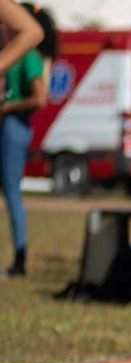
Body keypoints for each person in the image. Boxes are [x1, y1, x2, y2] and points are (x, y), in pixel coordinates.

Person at [0, 1, 45, 279]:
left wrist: (8, 108)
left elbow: (40, 98)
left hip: (14, 125)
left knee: (12, 192)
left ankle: (20, 258)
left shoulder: (28, 56)